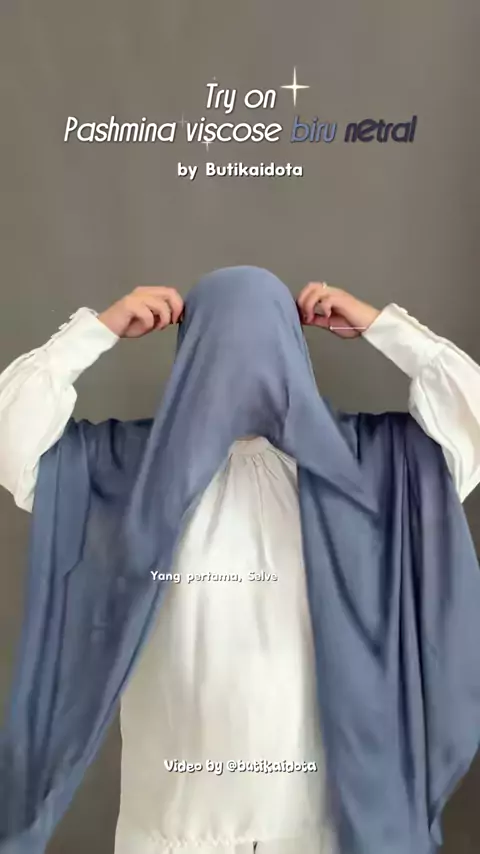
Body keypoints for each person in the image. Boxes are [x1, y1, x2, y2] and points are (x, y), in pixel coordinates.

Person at [0, 276, 479, 854]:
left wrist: (384, 327)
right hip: (171, 831)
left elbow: (470, 421)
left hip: (315, 828)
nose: (242, 367)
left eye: (262, 342)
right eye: (220, 344)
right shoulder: (133, 473)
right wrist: (94, 332)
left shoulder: (359, 470)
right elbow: (11, 442)